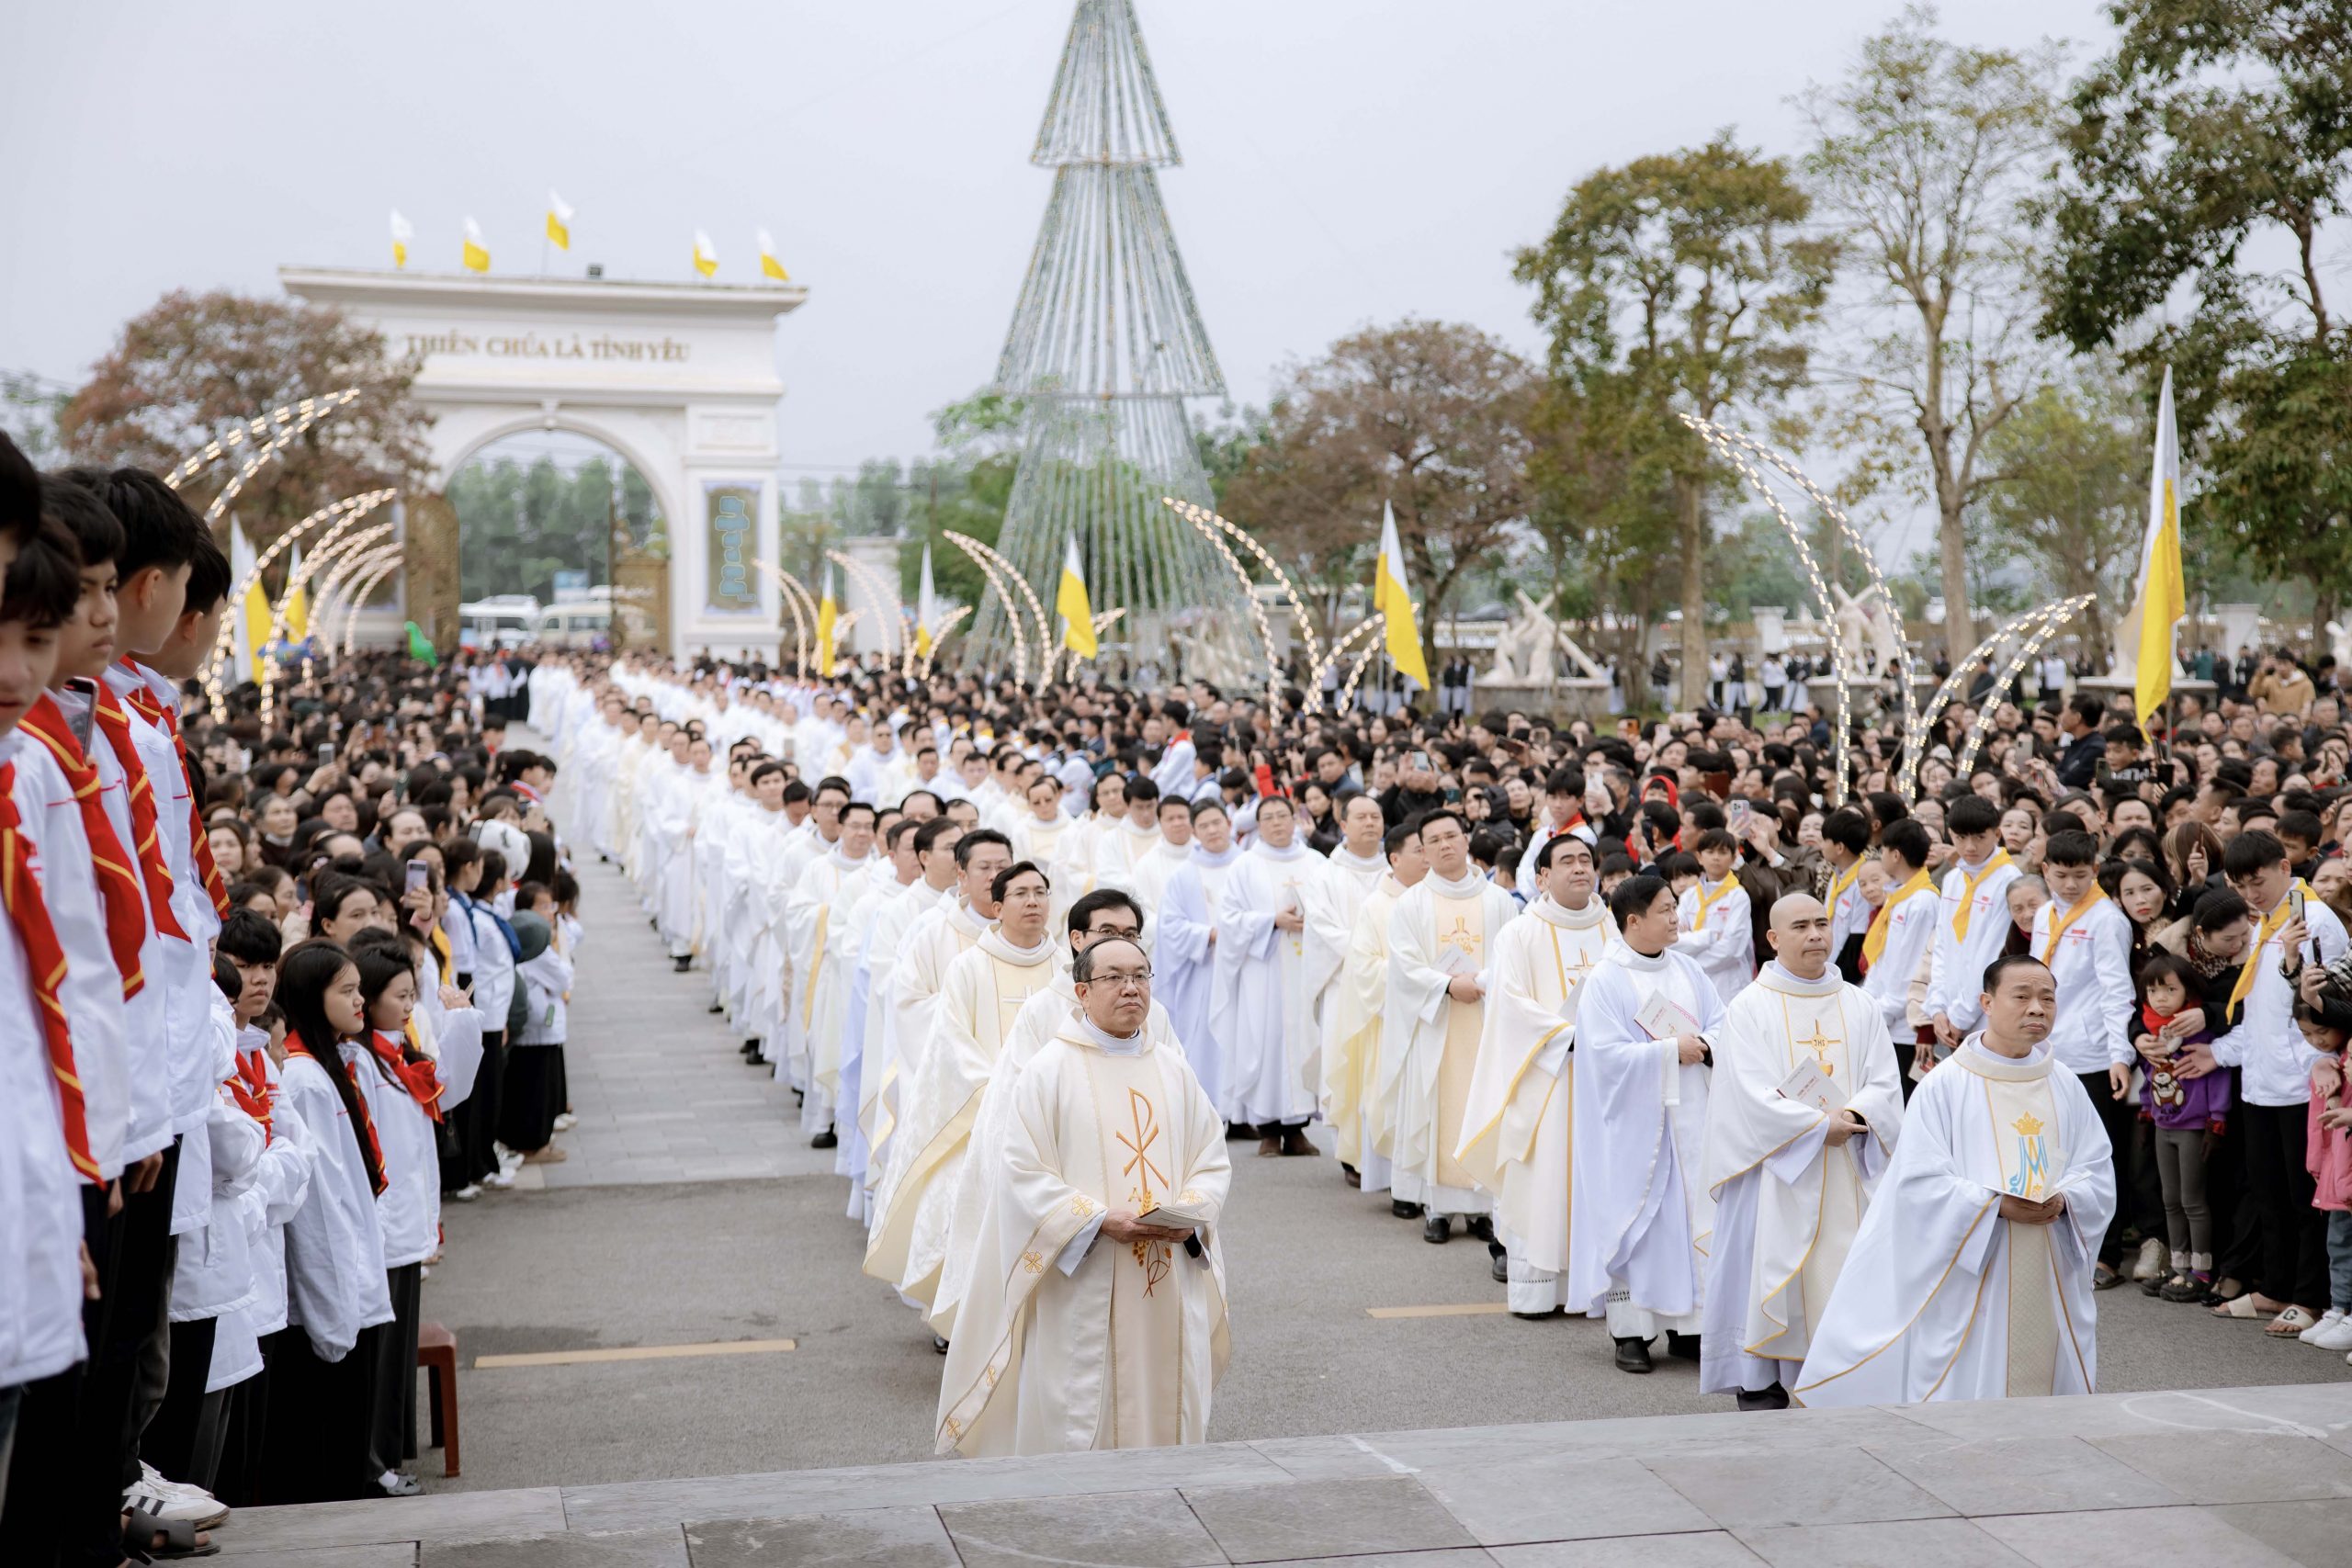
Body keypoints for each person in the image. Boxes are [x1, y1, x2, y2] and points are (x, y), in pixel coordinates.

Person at [933, 935, 1229, 1455]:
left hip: (1165, 1272)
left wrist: (1192, 1211)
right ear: (1082, 991)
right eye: (1115, 978)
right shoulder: (1049, 1071)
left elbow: (1210, 1158)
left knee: (1166, 1402)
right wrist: (1094, 1219)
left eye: (1140, 976)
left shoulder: (1174, 1070)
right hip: (1085, 1274)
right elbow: (1021, 1170)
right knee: (1082, 1410)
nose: (1131, 988)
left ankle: (1169, 1493)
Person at [1794, 954, 2118, 1404]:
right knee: (1973, 1389)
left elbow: (2096, 1167)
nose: (2037, 1008)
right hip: (1977, 1266)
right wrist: (1993, 1204)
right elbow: (1918, 1182)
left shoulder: (2064, 1082)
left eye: (2047, 998)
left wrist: (2067, 1200)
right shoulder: (1945, 1084)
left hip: (2047, 1259)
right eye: (2022, 996)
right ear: (1987, 1002)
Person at [1699, 894, 1904, 1410]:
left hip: (1848, 1165)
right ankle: (1762, 1384)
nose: (1815, 934)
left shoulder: (1859, 1004)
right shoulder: (1749, 1007)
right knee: (1769, 1276)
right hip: (1774, 1173)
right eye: (1800, 926)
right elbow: (1747, 1093)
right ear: (1773, 938)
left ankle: (1839, 1381)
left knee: (1843, 1276)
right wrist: (1815, 1127)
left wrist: (1855, 1116)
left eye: (1822, 923)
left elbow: (1885, 1081)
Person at [1567, 873, 1724, 1373]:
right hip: (1635, 1127)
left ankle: (1688, 1326)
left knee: (1691, 1217)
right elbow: (1602, 1056)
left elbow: (1722, 1023)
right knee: (1639, 1220)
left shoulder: (1688, 969)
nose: (1676, 918)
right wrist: (1668, 1051)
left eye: (1675, 907)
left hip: (1691, 1115)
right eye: (1665, 910)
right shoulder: (1606, 980)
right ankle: (1631, 1332)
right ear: (1633, 921)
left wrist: (1707, 1045)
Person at [1454, 833, 1615, 1314]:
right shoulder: (1521, 933)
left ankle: (1604, 1289)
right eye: (1567, 861)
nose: (1580, 868)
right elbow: (1509, 1002)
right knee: (1544, 1177)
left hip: (1609, 1075)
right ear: (1542, 877)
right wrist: (1568, 1036)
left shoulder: (1615, 927)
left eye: (1586, 860)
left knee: (1604, 1175)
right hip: (1548, 1074)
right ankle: (1538, 1290)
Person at [1381, 809, 1520, 1243]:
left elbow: (1514, 958)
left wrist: (1481, 981)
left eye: (1451, 836)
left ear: (1466, 839)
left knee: (1487, 1107)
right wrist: (1446, 985)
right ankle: (1438, 1209)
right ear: (1423, 851)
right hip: (1436, 1022)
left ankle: (1484, 1210)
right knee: (1437, 1110)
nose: (1444, 845)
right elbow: (1403, 966)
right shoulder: (1412, 903)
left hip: (1486, 1018)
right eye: (1434, 840)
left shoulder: (1498, 900)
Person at [2031, 830, 2141, 1290]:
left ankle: (2107, 1253)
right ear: (2045, 871)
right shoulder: (2044, 912)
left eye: (2080, 875)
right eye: (2061, 875)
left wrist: (2120, 1055)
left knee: (2098, 1155)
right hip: (2051, 1051)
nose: (2070, 884)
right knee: (2055, 1149)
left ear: (2095, 870)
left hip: (2094, 1055)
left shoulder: (2107, 919)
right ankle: (2061, 1241)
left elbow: (2118, 991)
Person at [1213, 795, 1346, 1156]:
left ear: (1294, 819)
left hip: (1308, 969)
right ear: (1259, 825)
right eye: (1268, 817)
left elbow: (1336, 908)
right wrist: (1272, 921)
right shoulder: (1245, 866)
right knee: (1266, 1043)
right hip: (1265, 971)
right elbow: (1229, 919)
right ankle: (1269, 1130)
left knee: (1307, 1039)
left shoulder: (1317, 862)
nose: (1276, 823)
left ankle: (1297, 1129)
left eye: (1282, 815)